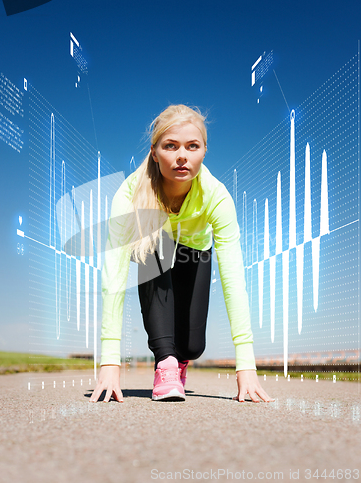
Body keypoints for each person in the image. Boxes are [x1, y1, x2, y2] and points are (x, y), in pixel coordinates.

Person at [90, 104, 274, 403]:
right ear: (154, 151)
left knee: (191, 346)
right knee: (153, 240)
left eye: (192, 146)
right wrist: (110, 361)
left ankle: (180, 358)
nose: (181, 156)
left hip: (195, 251)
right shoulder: (130, 193)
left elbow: (233, 280)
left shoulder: (216, 196)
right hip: (155, 246)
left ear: (204, 151)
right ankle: (166, 364)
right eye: (170, 146)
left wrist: (246, 365)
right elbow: (114, 273)